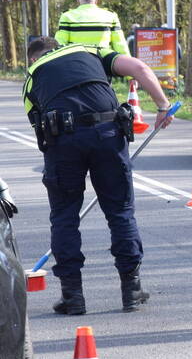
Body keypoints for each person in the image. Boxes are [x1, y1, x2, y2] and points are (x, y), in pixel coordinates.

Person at [23, 37, 174, 315]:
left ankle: (73, 296)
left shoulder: (33, 76)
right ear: (58, 46)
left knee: (64, 216)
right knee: (120, 211)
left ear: (33, 58)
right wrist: (162, 105)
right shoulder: (88, 49)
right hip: (108, 132)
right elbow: (139, 68)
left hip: (63, 142)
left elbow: (39, 128)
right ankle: (131, 290)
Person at [55, 0, 130, 55]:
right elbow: (120, 44)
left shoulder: (67, 16)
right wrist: (127, 62)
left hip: (77, 61)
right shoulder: (111, 16)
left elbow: (60, 43)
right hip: (103, 61)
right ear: (96, 1)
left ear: (78, 1)